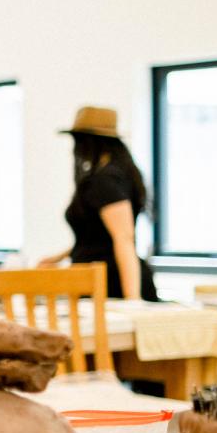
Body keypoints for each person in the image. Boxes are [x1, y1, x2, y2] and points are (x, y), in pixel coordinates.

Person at [39, 105, 158, 301]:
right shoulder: (117, 175)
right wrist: (61, 256)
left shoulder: (105, 180)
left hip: (110, 283)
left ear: (87, 142)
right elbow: (99, 238)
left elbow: (124, 238)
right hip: (98, 280)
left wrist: (133, 299)